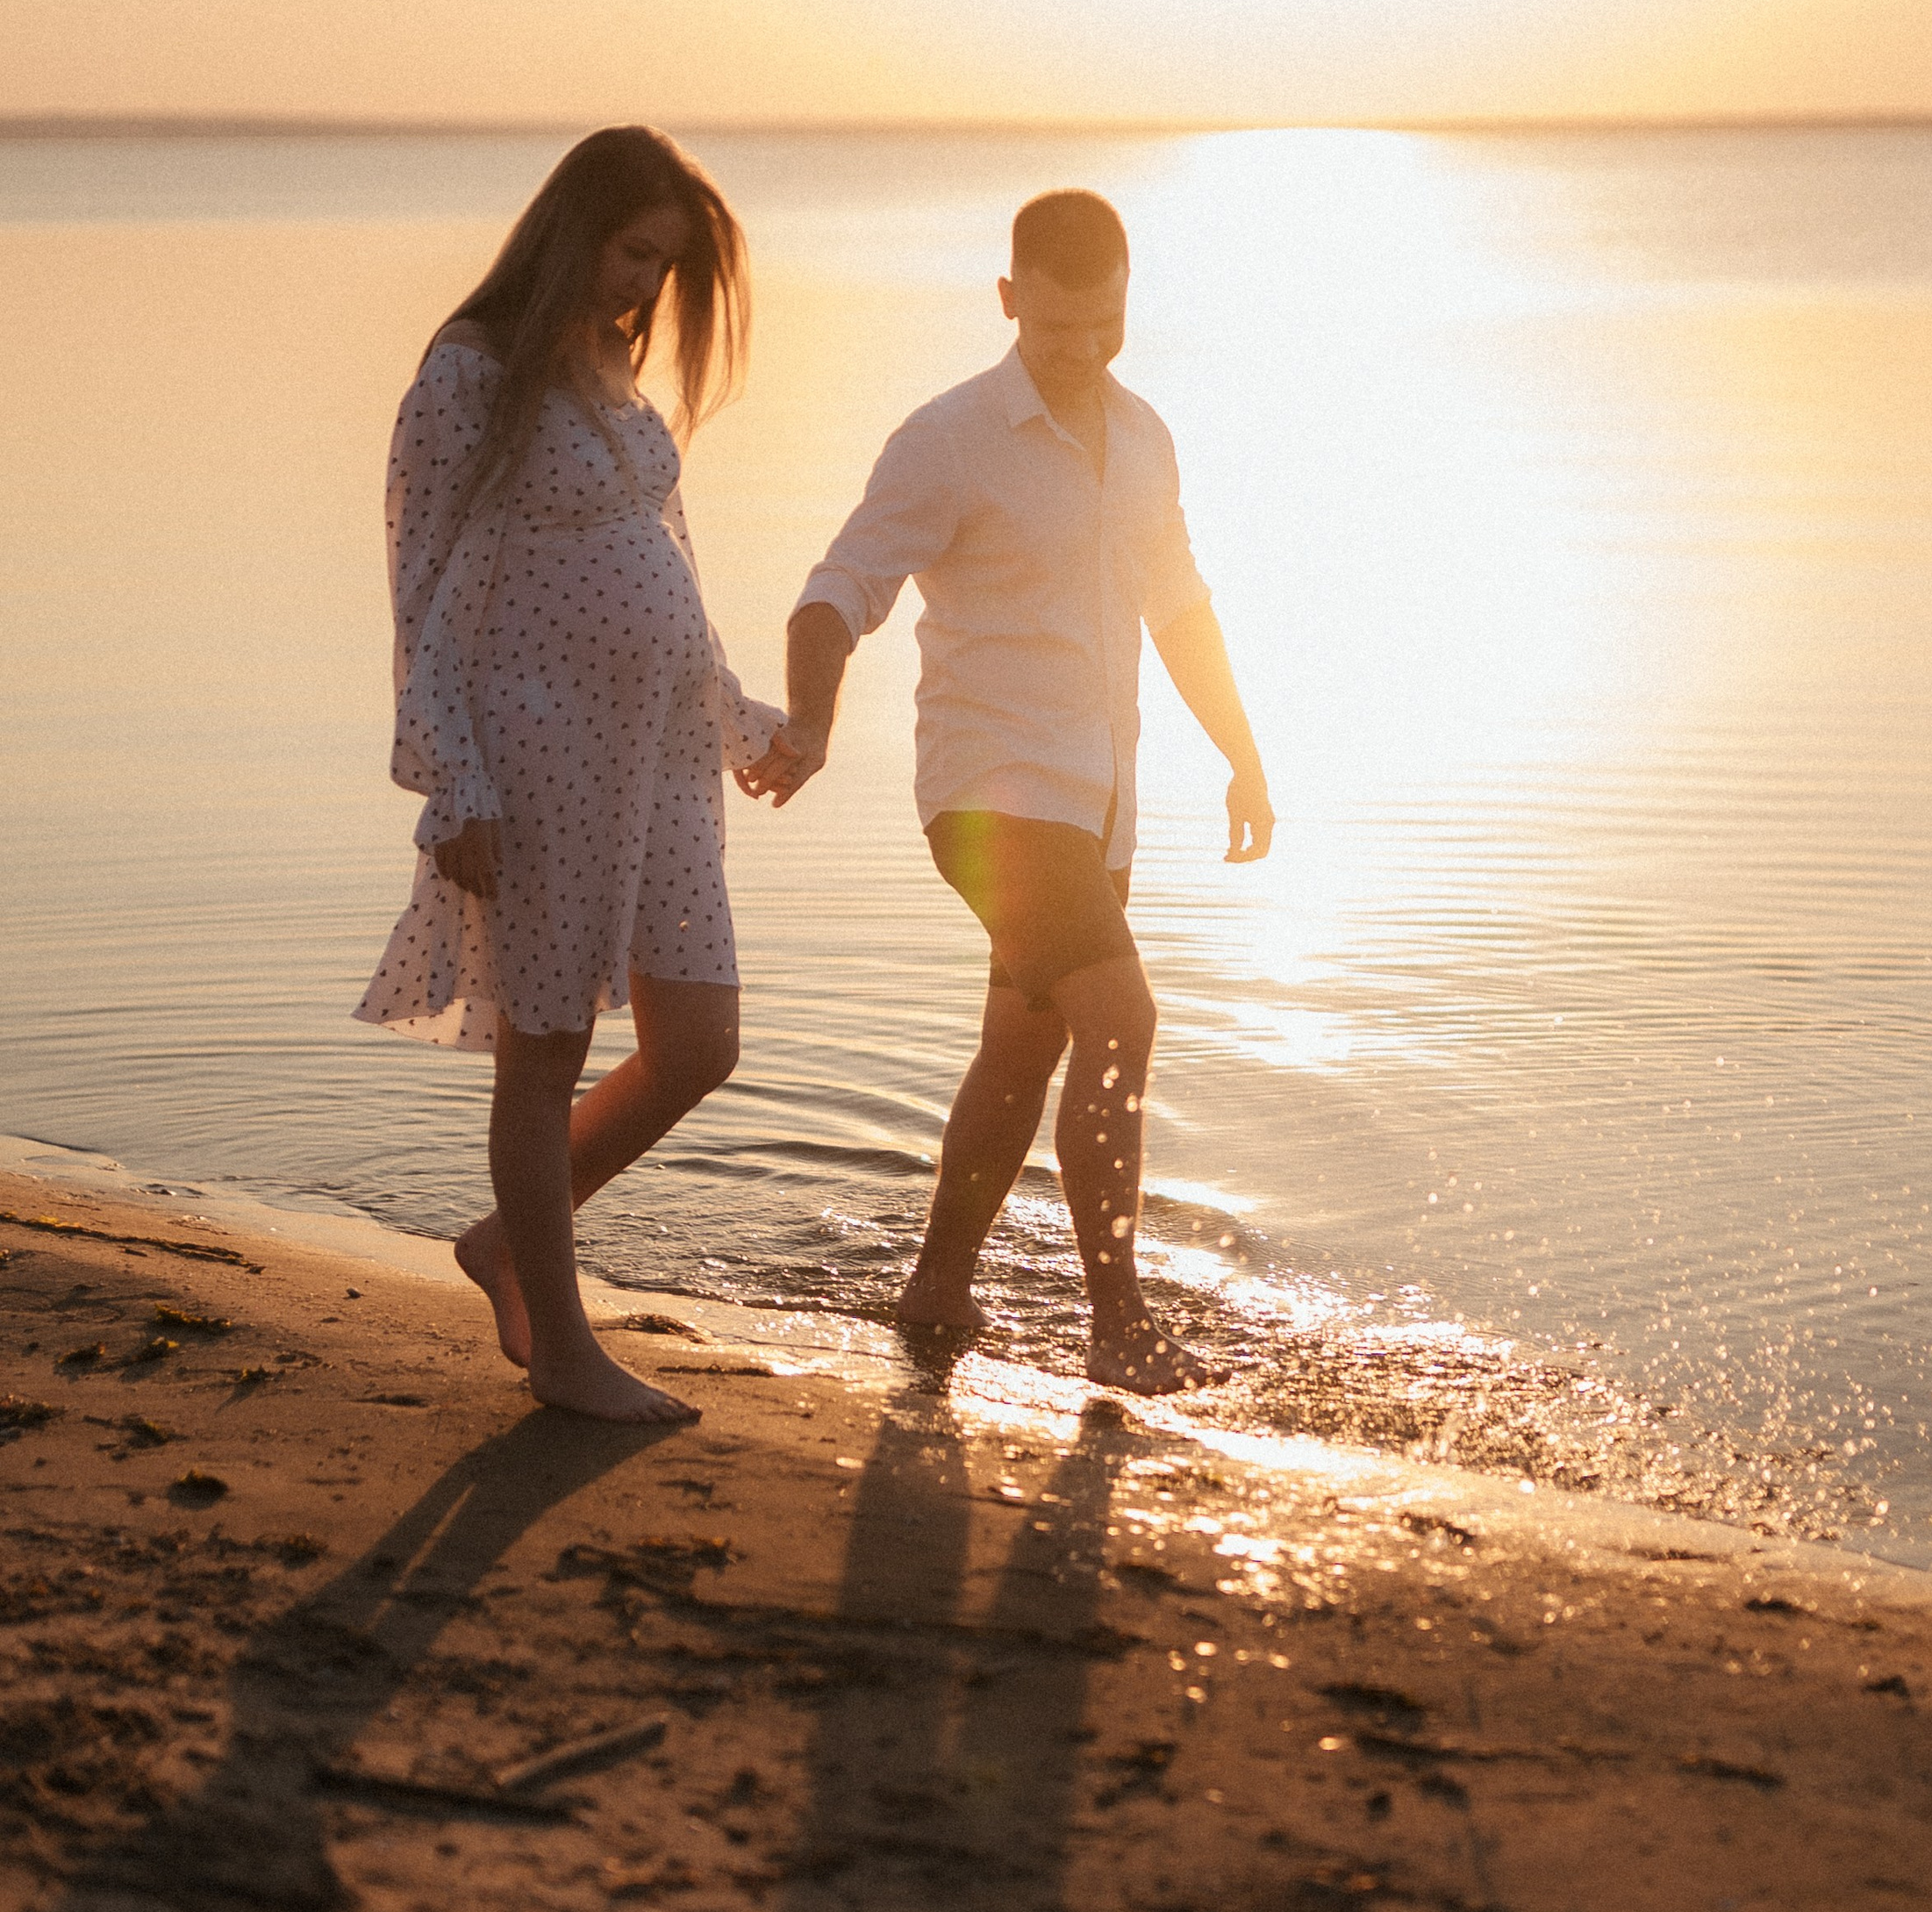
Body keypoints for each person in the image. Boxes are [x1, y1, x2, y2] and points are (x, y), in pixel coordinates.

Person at [748, 188, 1271, 1393]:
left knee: (1023, 1045)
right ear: (1008, 302)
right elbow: (835, 591)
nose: (1084, 354)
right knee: (1123, 1018)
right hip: (988, 794)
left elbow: (1180, 605)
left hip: (1097, 804)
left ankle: (936, 1285)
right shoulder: (948, 440)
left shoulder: (1143, 436)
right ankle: (1118, 1322)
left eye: (1106, 327)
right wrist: (815, 720)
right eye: (1057, 331)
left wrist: (1244, 754)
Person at [355, 126, 781, 1424]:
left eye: (667, 266)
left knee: (699, 1040)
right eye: (634, 252)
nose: (647, 288)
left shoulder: (609, 358)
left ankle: (502, 1245)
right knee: (543, 1055)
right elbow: (421, 590)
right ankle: (565, 1350)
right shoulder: (470, 369)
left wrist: (742, 720)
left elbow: (672, 569)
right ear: (572, 228)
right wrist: (455, 785)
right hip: (532, 754)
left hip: (657, 756)